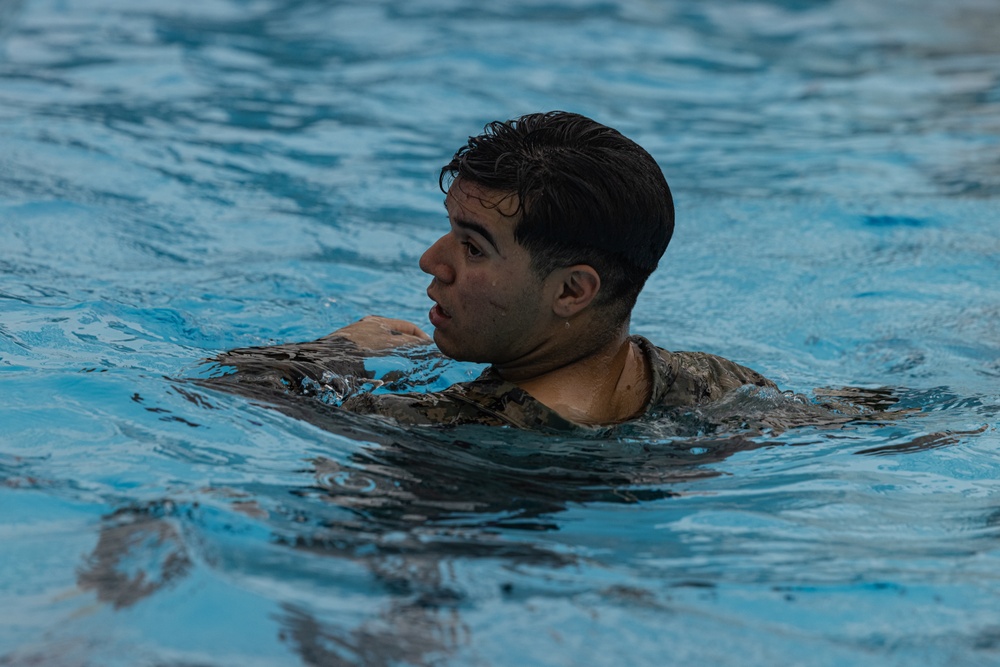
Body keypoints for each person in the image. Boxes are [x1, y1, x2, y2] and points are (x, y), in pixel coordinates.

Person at [209, 111, 776, 431]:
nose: (432, 261)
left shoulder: (431, 427)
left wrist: (331, 353)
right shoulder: (720, 387)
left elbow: (213, 394)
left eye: (473, 247)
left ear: (573, 290)